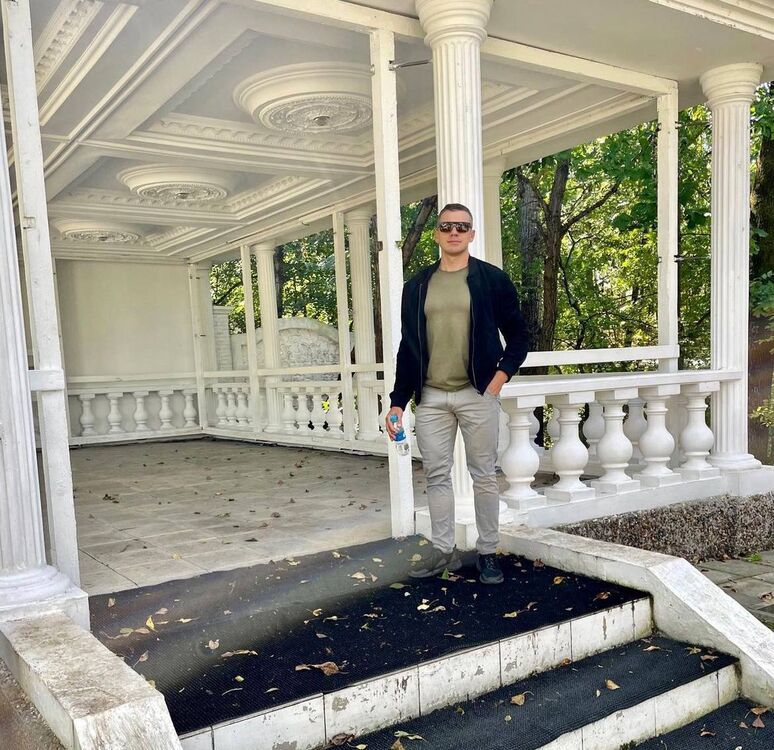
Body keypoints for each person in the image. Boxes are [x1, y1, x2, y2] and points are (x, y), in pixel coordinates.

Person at [386, 203, 529, 584]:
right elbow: (408, 347)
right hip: (431, 397)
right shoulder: (417, 286)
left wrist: (498, 379)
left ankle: (488, 553)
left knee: (483, 476)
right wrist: (398, 401)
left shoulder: (491, 280)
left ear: (472, 234)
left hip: (476, 393)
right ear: (436, 233)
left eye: (462, 227)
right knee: (437, 476)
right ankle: (443, 550)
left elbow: (519, 335)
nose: (454, 233)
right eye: (447, 226)